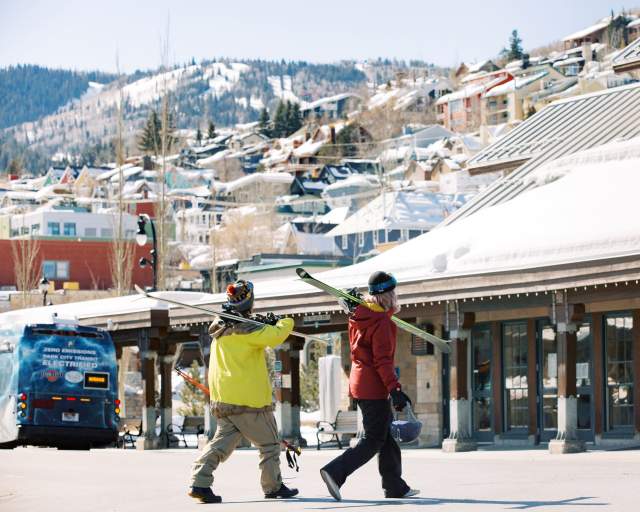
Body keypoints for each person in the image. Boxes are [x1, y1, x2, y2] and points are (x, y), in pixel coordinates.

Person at [189, 280, 299, 503]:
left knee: (220, 444)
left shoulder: (220, 327)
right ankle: (273, 486)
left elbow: (263, 332)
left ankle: (199, 482)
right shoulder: (247, 330)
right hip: (249, 400)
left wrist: (261, 322)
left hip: (224, 397)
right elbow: (277, 335)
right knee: (269, 444)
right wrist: (281, 321)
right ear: (250, 301)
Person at [320, 271, 419, 501]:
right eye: (393, 292)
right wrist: (395, 389)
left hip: (360, 382)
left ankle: (395, 485)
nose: (396, 296)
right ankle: (335, 472)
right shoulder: (381, 322)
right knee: (374, 438)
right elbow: (382, 360)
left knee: (385, 437)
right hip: (373, 385)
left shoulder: (360, 315)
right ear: (387, 295)